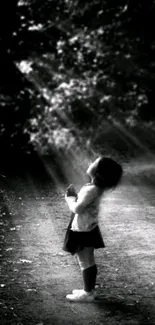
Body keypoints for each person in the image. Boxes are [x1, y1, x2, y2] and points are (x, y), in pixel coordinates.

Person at [63, 156, 123, 302]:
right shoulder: (95, 188)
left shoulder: (91, 189)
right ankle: (89, 290)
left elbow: (77, 208)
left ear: (98, 173)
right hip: (89, 227)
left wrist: (70, 199)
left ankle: (87, 293)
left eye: (94, 163)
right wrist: (77, 197)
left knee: (85, 260)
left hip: (83, 229)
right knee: (88, 260)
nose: (90, 163)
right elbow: (85, 204)